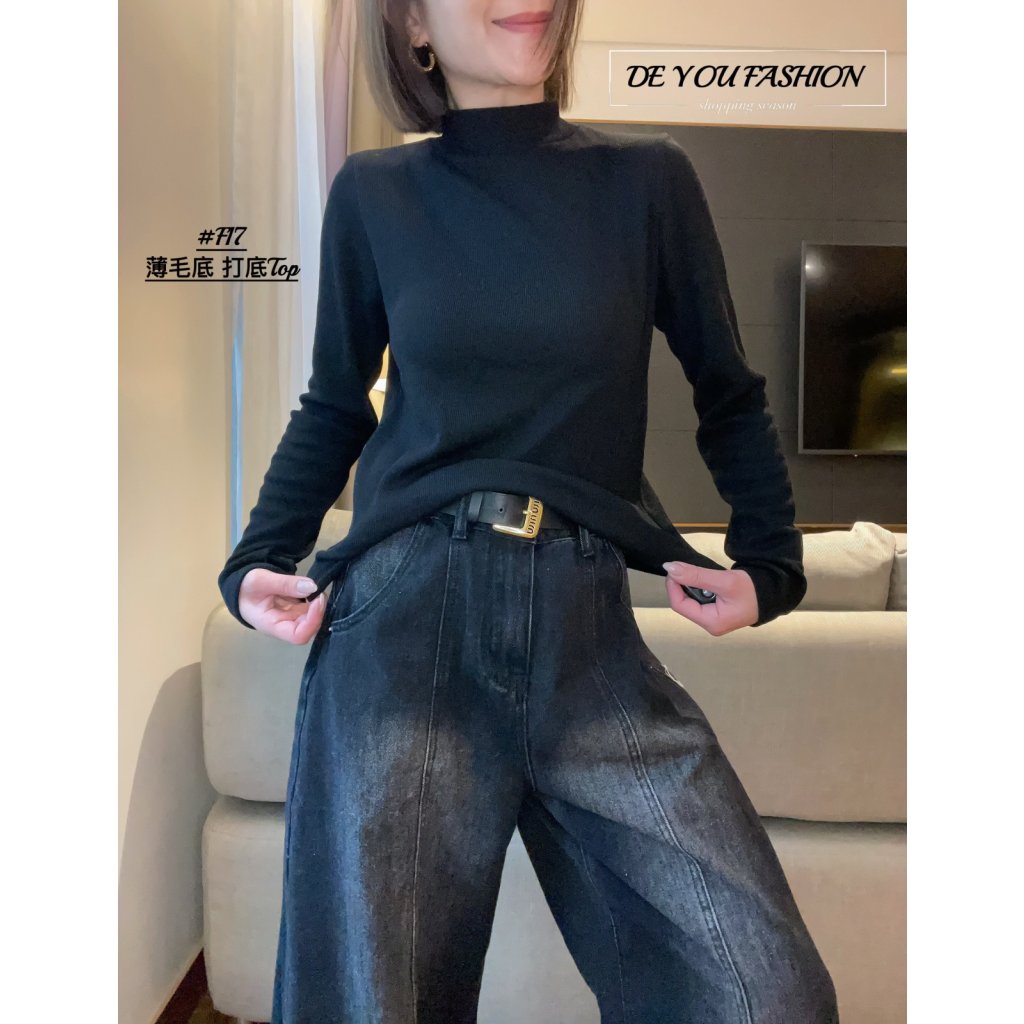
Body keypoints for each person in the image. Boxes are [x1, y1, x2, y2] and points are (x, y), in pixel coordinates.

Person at [218, 1, 841, 1021]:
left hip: (587, 636)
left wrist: (772, 561)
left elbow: (726, 385)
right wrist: (255, 558)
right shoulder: (375, 193)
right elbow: (335, 402)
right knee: (379, 1004)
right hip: (406, 623)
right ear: (412, 25)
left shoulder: (648, 181)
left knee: (762, 990)